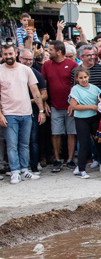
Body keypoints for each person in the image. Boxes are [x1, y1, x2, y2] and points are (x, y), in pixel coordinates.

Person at [0, 44, 45, 184]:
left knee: (25, 144)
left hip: (26, 112)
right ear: (2, 55)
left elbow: (35, 91)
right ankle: (15, 171)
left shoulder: (26, 70)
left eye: (10, 54)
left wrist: (41, 110)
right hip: (8, 113)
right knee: (12, 144)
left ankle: (25, 170)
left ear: (16, 54)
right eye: (5, 54)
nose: (8, 57)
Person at [41, 40, 78, 172]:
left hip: (69, 106)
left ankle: (69, 159)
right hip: (54, 106)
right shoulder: (46, 65)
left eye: (50, 50)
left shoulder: (72, 64)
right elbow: (43, 86)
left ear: (59, 52)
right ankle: (57, 160)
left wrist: (73, 103)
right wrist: (44, 102)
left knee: (71, 133)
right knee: (55, 133)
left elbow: (76, 86)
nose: (48, 52)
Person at [68, 66, 101, 178]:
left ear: (88, 77)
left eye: (85, 77)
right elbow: (74, 106)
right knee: (84, 143)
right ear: (77, 79)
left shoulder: (94, 88)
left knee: (99, 141)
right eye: (81, 78)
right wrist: (92, 107)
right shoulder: (75, 89)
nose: (83, 79)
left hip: (94, 118)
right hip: (81, 119)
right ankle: (82, 168)